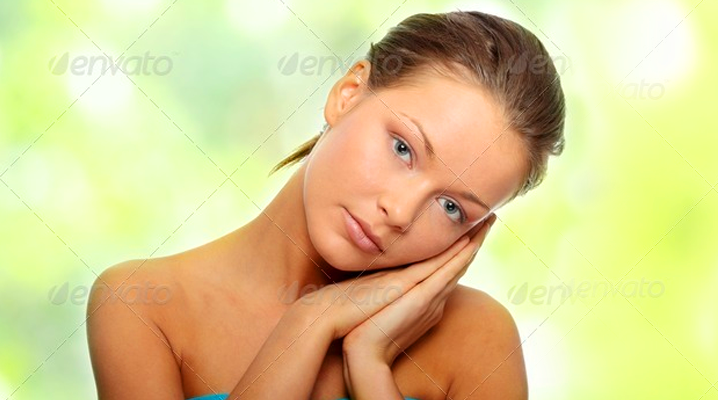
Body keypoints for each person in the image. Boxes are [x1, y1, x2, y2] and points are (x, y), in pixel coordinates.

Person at [87, 10, 565, 400]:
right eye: (403, 148)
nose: (400, 213)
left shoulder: (478, 339)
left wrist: (370, 367)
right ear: (349, 94)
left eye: (451, 208)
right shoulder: (141, 306)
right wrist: (308, 323)